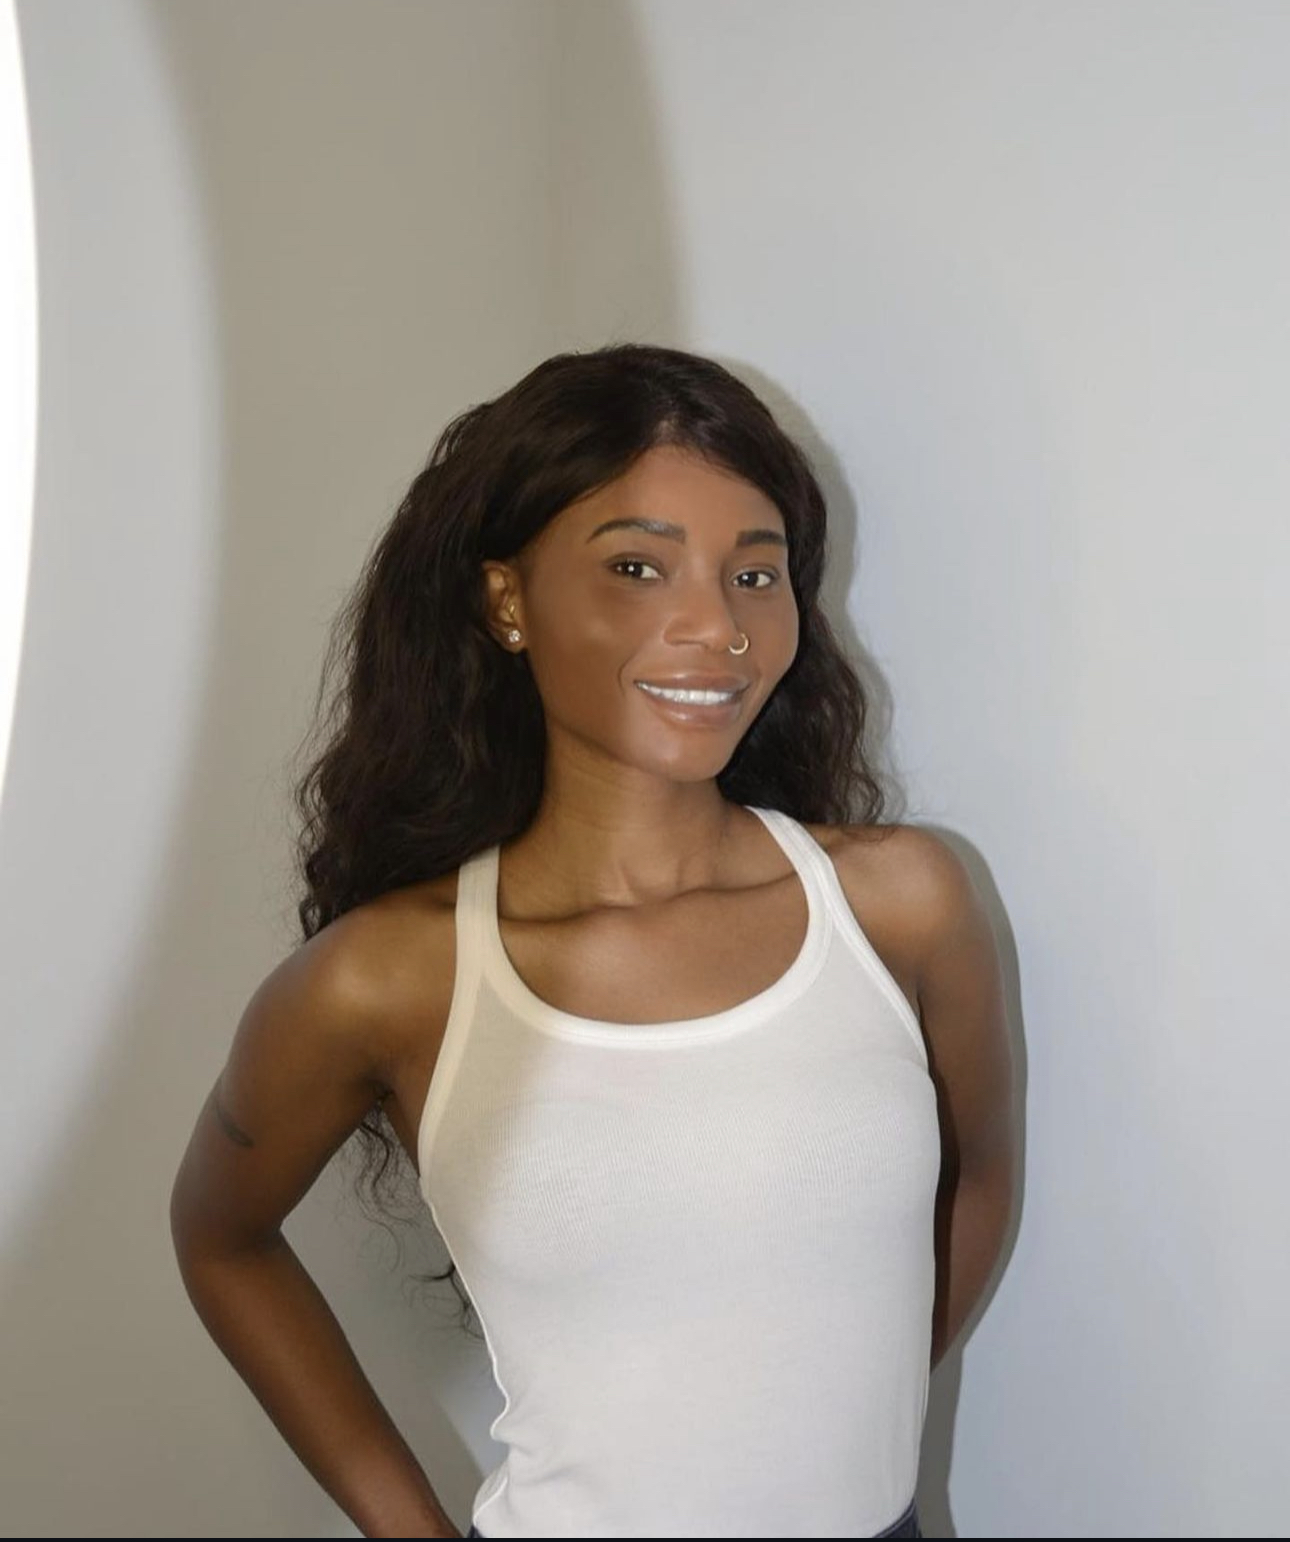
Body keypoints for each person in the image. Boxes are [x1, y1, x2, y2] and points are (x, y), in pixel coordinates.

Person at [170, 342, 1016, 1539]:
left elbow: (982, 1176)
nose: (715, 625)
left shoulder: (901, 904)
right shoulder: (388, 979)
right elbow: (221, 1239)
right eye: (637, 567)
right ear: (507, 602)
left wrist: (833, 1429)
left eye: (755, 574)